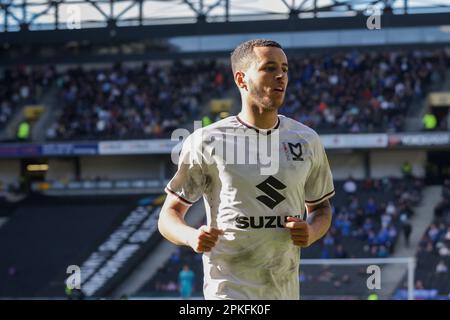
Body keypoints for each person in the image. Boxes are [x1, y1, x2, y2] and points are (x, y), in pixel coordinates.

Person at [158, 39, 334, 300]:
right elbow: (168, 215)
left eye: (285, 69)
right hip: (229, 292)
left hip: (284, 291)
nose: (280, 76)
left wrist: (311, 231)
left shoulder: (306, 139)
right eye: (269, 68)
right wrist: (192, 236)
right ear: (241, 79)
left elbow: (321, 209)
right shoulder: (206, 141)